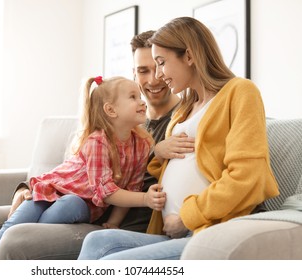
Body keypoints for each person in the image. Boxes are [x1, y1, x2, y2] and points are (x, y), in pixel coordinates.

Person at [0, 30, 187, 260]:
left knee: (21, 237)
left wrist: (115, 221)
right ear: (134, 74)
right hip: (70, 200)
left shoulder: (182, 121)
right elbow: (73, 173)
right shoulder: (119, 123)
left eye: (159, 66)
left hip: (107, 221)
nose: (154, 78)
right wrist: (26, 187)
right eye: (143, 70)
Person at [77, 16, 280, 260]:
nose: (159, 75)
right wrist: (159, 154)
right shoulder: (186, 107)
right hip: (169, 231)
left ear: (190, 56)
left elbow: (248, 176)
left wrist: (186, 217)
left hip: (207, 232)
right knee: (96, 241)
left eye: (162, 63)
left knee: (114, 262)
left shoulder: (240, 92)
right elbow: (167, 167)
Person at [0, 75, 168, 260]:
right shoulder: (98, 141)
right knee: (16, 223)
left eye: (140, 97)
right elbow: (106, 191)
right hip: (49, 189)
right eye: (133, 97)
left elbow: (131, 188)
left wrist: (113, 223)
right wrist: (146, 199)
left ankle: (27, 241)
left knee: (72, 204)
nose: (142, 102)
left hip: (78, 204)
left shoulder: (141, 144)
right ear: (111, 110)